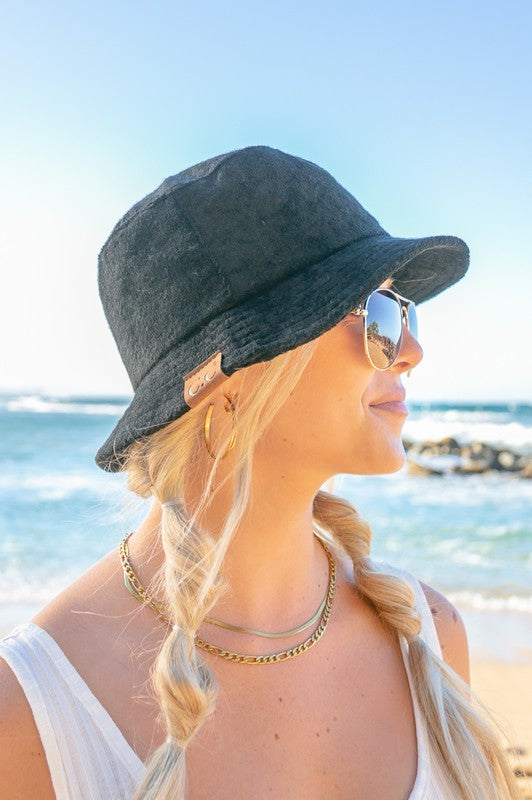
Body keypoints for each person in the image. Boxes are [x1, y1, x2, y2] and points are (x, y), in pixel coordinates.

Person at [0, 146, 521, 800]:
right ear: (235, 376)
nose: (412, 351)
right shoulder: (32, 714)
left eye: (405, 312)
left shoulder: (431, 640)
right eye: (379, 317)